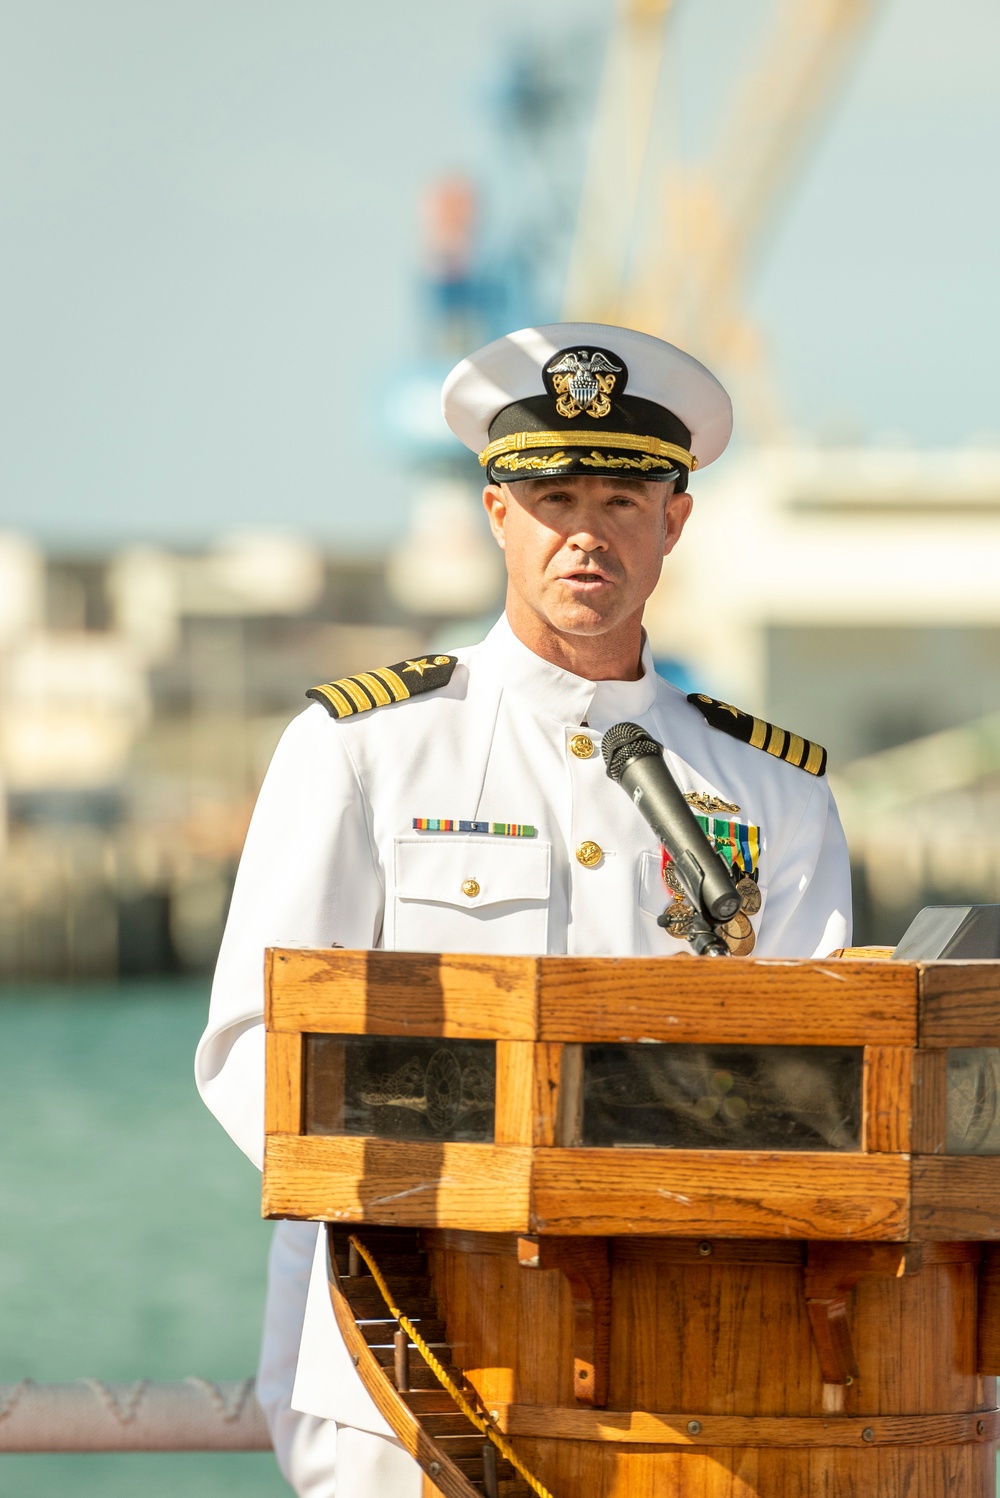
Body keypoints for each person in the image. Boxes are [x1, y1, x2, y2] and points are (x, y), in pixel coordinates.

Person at [195, 322, 851, 1497]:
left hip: (684, 1366)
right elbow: (252, 1050)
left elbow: (822, 1095)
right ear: (497, 515)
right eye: (550, 495)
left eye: (621, 496)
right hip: (403, 1361)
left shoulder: (773, 789)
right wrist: (464, 1203)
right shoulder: (365, 749)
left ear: (675, 521)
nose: (584, 530)